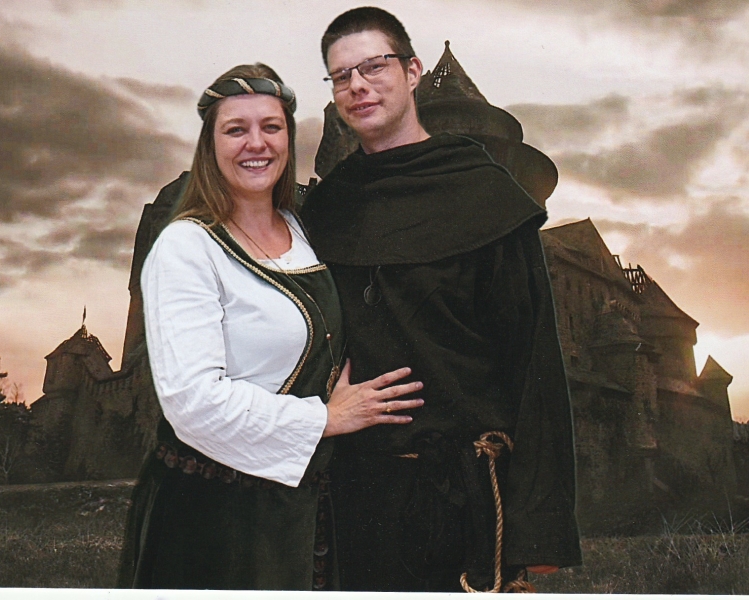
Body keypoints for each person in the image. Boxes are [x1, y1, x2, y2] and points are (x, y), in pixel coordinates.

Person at [300, 7, 583, 593]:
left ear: (412, 72)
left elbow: (533, 359)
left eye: (374, 66)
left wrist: (537, 532)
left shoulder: (486, 194)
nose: (358, 85)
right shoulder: (326, 209)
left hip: (461, 503)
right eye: (341, 75)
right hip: (347, 499)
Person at [116, 62, 424, 591]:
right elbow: (193, 402)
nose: (256, 144)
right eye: (236, 129)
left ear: (289, 139)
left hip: (299, 506)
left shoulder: (307, 231)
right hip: (214, 515)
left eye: (271, 127)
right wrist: (325, 419)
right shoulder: (186, 247)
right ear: (210, 145)